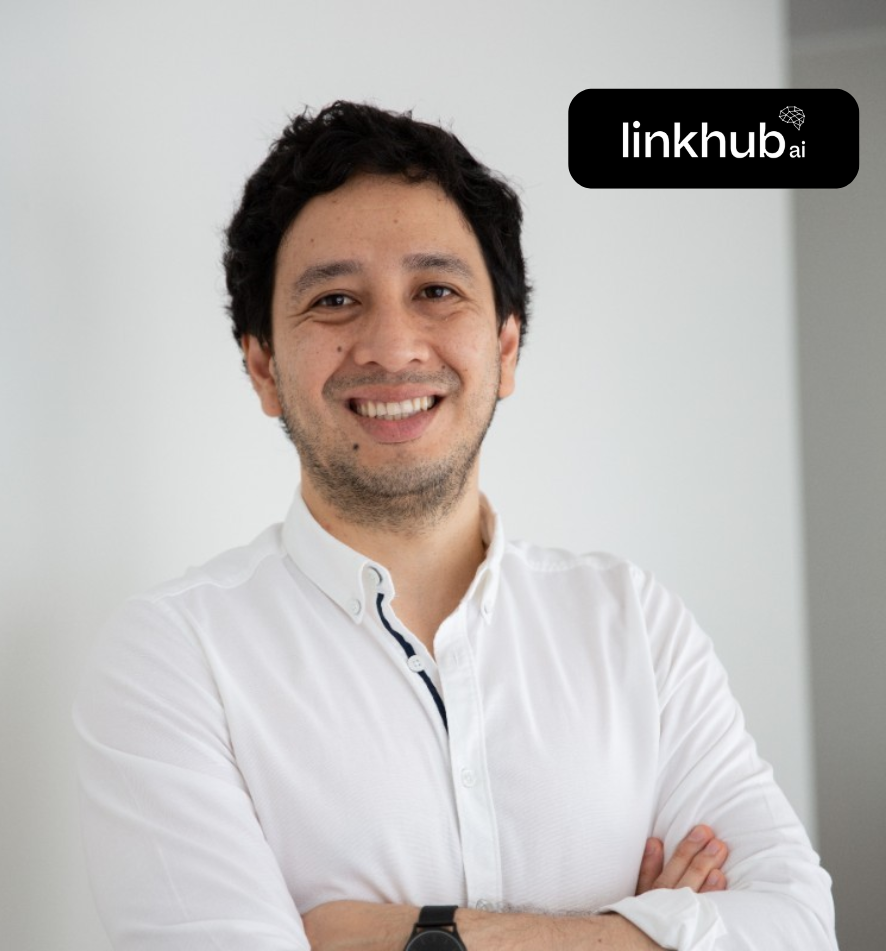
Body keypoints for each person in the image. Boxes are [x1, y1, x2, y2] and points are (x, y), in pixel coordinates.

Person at [74, 101, 837, 951]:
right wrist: (646, 932)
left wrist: (399, 937)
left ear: (506, 348)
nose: (393, 345)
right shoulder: (174, 659)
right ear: (263, 367)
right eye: (334, 299)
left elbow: (799, 927)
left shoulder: (634, 623)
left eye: (436, 291)